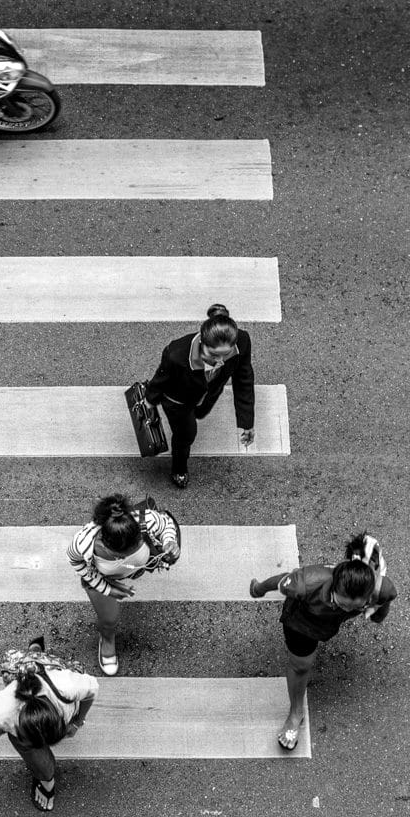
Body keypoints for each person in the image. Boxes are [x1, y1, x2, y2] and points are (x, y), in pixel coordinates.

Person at [249, 531, 396, 751]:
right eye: (342, 603)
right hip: (302, 621)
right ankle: (295, 713)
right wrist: (258, 588)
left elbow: (382, 607)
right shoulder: (305, 583)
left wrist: (378, 610)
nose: (347, 609)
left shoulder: (380, 590)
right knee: (301, 665)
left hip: (328, 625)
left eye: (355, 606)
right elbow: (280, 581)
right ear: (334, 586)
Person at [0, 636, 98, 812]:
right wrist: (76, 721)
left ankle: (34, 653)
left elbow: (92, 688)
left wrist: (79, 722)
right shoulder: (3, 710)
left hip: (47, 677)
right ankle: (45, 777)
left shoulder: (68, 685)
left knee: (22, 741)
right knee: (25, 743)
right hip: (30, 694)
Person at [67, 493, 180, 676]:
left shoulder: (147, 519)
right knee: (109, 619)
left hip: (134, 568)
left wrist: (169, 541)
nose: (124, 557)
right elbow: (75, 561)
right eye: (119, 555)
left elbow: (166, 524)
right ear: (103, 543)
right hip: (103, 577)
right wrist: (105, 587)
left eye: (135, 547)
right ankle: (107, 640)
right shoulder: (83, 542)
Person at [144, 302, 255, 489]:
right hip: (177, 401)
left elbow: (243, 380)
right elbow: (160, 379)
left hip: (207, 396)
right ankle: (179, 469)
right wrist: (149, 401)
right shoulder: (176, 355)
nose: (220, 361)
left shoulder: (242, 342)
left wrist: (247, 422)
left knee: (200, 413)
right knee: (186, 435)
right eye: (213, 355)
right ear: (202, 343)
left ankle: (218, 315)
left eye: (225, 355)